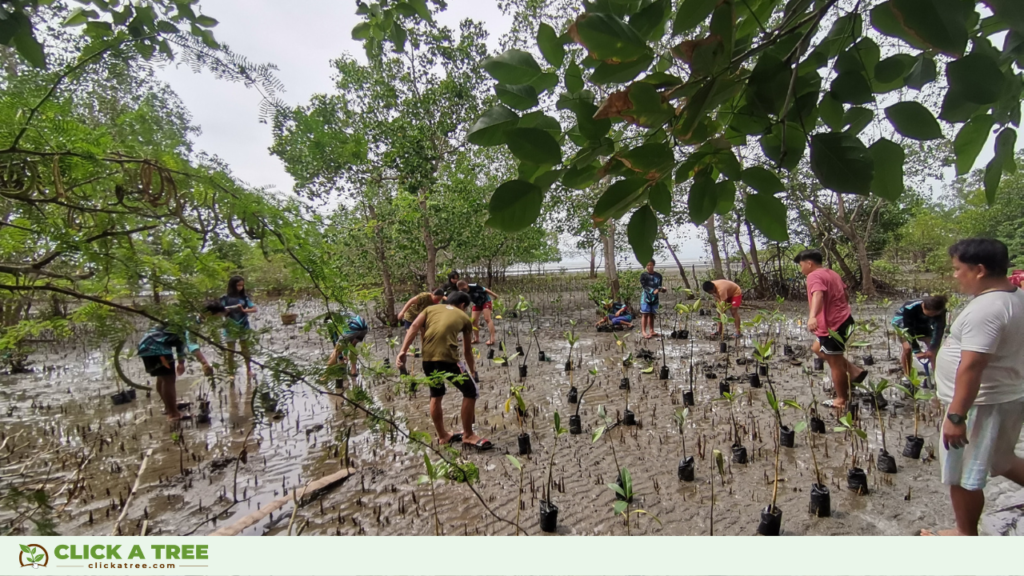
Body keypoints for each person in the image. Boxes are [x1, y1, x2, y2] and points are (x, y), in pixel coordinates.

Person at [921, 238, 1024, 537]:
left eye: (957, 269)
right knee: (1002, 459)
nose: (954, 275)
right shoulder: (1014, 295)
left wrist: (956, 417)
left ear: (979, 270)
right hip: (1006, 395)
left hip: (980, 403)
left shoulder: (988, 309)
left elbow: (972, 366)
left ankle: (965, 534)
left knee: (963, 474)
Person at [397, 291, 490, 450]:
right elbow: (467, 351)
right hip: (448, 359)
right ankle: (468, 435)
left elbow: (413, 326)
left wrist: (403, 351)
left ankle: (442, 436)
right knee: (471, 392)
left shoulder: (430, 309)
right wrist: (473, 371)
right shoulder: (464, 318)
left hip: (428, 359)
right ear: (462, 305)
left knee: (436, 395)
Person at [794, 249, 867, 413]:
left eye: (801, 265)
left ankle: (841, 399)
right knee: (816, 348)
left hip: (834, 326)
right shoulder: (832, 273)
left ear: (809, 263)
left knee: (835, 364)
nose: (801, 269)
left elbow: (818, 295)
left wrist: (813, 316)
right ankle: (855, 372)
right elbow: (845, 295)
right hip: (845, 320)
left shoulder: (813, 276)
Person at [139, 301, 226, 421]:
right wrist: (204, 362)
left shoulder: (187, 317)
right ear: (209, 314)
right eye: (216, 317)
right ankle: (173, 414)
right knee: (168, 379)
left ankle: (169, 407)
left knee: (162, 378)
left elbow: (180, 340)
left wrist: (181, 362)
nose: (216, 321)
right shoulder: (192, 322)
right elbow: (192, 344)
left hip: (147, 345)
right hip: (156, 347)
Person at [892, 295, 948, 378]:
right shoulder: (910, 307)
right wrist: (917, 350)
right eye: (930, 314)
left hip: (924, 323)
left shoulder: (941, 311)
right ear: (923, 306)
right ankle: (907, 375)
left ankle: (937, 377)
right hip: (903, 323)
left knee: (934, 350)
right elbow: (908, 330)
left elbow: (939, 330)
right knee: (907, 348)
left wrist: (932, 349)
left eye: (934, 315)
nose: (933, 315)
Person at [220, 275, 258, 380]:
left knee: (245, 349)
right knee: (230, 351)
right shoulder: (225, 298)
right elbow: (220, 311)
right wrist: (225, 311)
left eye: (242, 285)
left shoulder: (244, 298)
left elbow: (254, 309)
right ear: (232, 286)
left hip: (243, 325)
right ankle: (231, 372)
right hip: (230, 327)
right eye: (238, 285)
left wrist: (244, 310)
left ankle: (249, 370)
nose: (240, 287)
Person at [326, 311, 369, 377]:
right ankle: (353, 371)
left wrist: (341, 356)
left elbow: (335, 339)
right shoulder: (346, 313)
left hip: (353, 328)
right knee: (352, 347)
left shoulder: (332, 322)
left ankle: (328, 373)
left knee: (336, 350)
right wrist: (345, 354)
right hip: (364, 327)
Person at [457, 280, 499, 346]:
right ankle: (477, 338)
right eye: (462, 289)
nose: (464, 290)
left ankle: (492, 338)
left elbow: (485, 290)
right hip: (477, 304)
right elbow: (464, 303)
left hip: (486, 301)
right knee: (473, 321)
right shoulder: (461, 293)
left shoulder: (474, 286)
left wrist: (495, 295)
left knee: (487, 318)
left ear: (467, 285)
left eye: (465, 288)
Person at [640, 259, 666, 339]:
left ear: (653, 265)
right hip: (646, 297)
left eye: (651, 265)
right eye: (647, 265)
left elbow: (659, 286)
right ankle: (644, 332)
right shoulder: (643, 275)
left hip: (655, 298)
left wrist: (662, 289)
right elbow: (644, 286)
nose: (649, 267)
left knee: (652, 314)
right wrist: (652, 291)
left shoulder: (658, 276)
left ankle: (652, 330)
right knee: (645, 314)